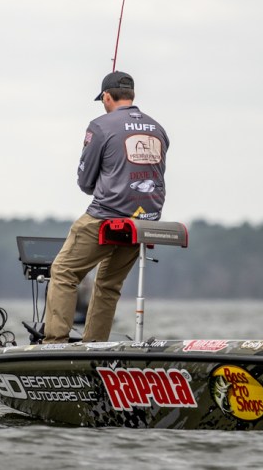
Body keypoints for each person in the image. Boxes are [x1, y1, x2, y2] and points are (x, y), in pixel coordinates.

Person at [43, 71, 170, 343]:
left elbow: (85, 181)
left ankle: (55, 343)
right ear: (132, 95)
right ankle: (94, 345)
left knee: (63, 272)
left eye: (103, 99)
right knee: (109, 285)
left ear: (107, 96)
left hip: (106, 217)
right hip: (143, 223)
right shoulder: (158, 128)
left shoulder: (99, 126)